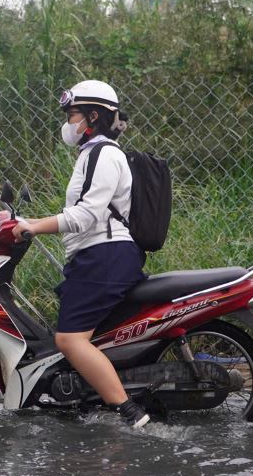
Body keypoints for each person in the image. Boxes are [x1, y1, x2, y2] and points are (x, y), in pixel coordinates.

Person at [12, 80, 150, 428]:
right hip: (100, 255)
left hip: (105, 256)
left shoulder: (104, 155)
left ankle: (129, 411)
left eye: (72, 114)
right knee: (84, 337)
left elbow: (86, 215)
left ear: (92, 116)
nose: (67, 123)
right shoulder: (92, 154)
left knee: (69, 340)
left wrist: (33, 226)